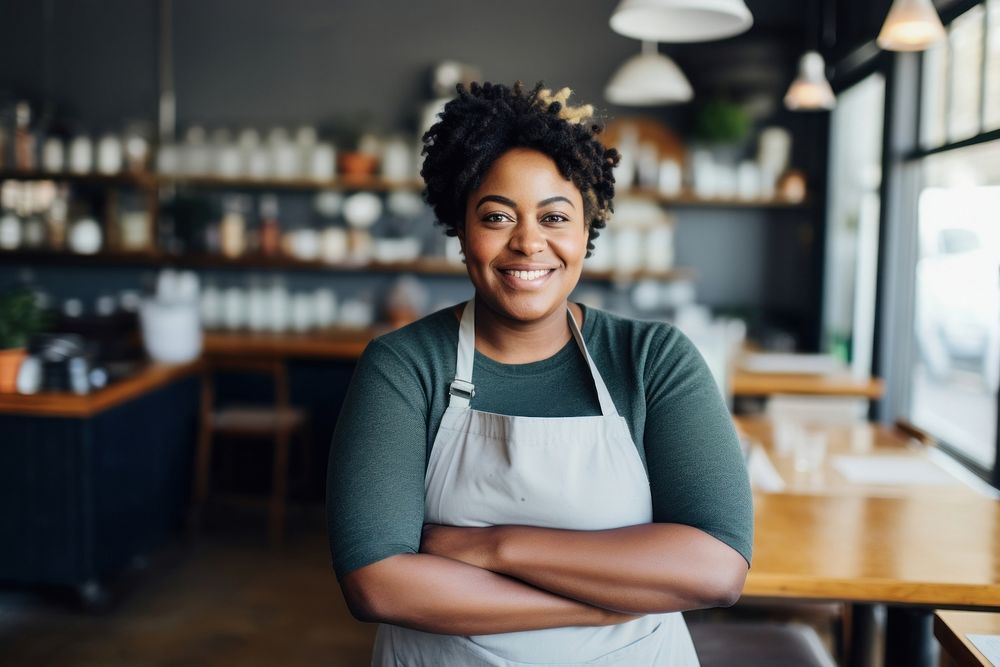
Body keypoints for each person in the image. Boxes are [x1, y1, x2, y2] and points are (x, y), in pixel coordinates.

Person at [327, 81, 753, 666]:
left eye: (555, 216)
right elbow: (377, 583)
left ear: (586, 230)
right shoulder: (404, 365)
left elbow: (716, 568)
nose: (529, 242)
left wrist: (493, 546)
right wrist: (613, 600)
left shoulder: (653, 360)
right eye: (498, 216)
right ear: (462, 229)